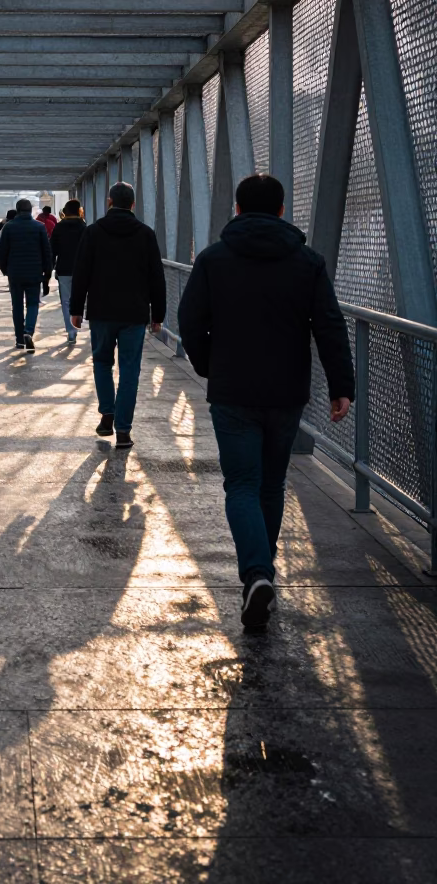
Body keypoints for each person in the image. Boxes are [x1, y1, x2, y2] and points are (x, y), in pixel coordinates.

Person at [177, 173, 355, 630]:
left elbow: (191, 319)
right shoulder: (308, 263)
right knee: (271, 485)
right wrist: (342, 385)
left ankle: (257, 574)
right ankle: (263, 572)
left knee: (240, 485)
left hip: (233, 389)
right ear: (281, 211)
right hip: (286, 390)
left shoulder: (213, 259)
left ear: (236, 209)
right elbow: (330, 326)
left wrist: (206, 364)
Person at [70, 181, 165, 449]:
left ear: (109, 202)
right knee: (130, 370)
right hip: (134, 313)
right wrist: (157, 313)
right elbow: (157, 277)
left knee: (101, 363)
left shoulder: (93, 232)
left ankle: (107, 414)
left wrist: (76, 309)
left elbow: (82, 273)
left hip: (101, 311)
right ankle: (123, 430)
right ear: (133, 205)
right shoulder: (146, 234)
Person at [0, 197, 52, 353]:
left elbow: (0, 252)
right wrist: (47, 275)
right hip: (34, 273)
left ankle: (19, 339)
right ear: (31, 211)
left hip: (15, 273)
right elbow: (47, 252)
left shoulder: (9, 227)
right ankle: (28, 331)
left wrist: (6, 270)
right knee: (33, 304)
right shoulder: (39, 227)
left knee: (17, 306)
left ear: (17, 210)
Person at [49, 198, 86, 344]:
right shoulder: (84, 228)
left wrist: (50, 268)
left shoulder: (59, 227)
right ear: (78, 211)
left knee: (66, 301)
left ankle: (71, 331)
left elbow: (53, 250)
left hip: (64, 268)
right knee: (82, 299)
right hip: (82, 269)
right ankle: (78, 322)